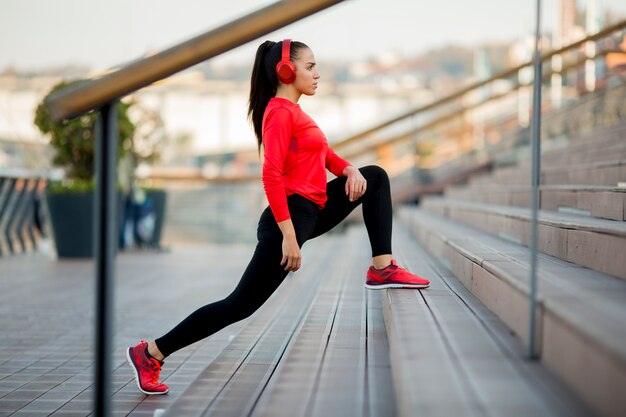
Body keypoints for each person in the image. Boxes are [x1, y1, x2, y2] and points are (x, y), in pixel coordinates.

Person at [126, 39, 430, 395]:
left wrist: (348, 169)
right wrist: (288, 236)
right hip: (288, 219)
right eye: (310, 66)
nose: (317, 74)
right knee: (239, 305)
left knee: (373, 176)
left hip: (311, 210)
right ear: (286, 71)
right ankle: (151, 352)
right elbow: (270, 175)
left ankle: (382, 267)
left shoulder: (296, 112)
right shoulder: (280, 113)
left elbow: (325, 155)